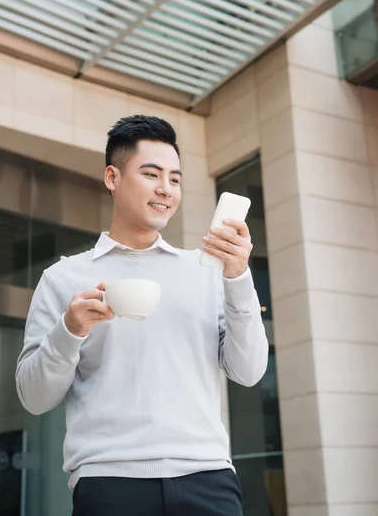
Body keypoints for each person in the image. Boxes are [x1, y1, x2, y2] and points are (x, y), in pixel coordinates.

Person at [16, 115, 269, 516]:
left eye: (175, 178)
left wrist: (237, 276)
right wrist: (70, 330)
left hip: (209, 478)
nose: (165, 189)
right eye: (151, 174)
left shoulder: (206, 272)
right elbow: (33, 398)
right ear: (113, 177)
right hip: (107, 482)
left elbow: (249, 371)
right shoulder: (63, 277)